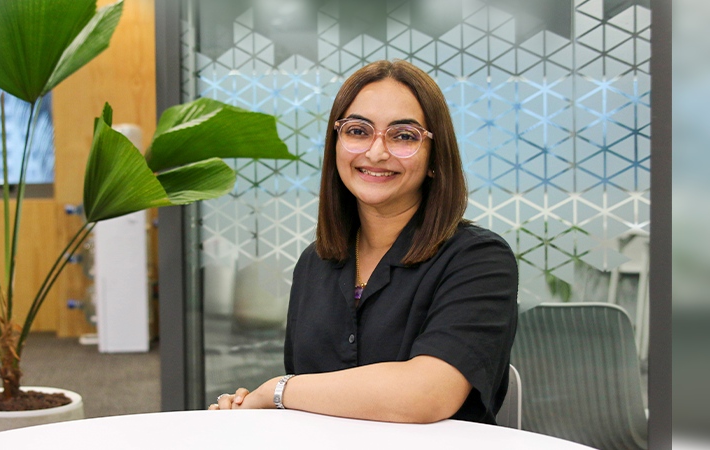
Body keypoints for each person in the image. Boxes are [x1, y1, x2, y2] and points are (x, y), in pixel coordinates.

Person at [208, 60, 518, 424]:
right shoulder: (316, 262)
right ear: (336, 145)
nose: (376, 152)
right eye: (358, 131)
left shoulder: (479, 259)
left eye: (404, 136)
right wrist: (250, 409)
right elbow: (309, 399)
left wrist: (276, 391)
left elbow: (426, 394)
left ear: (435, 156)